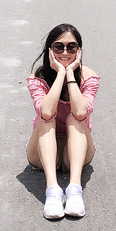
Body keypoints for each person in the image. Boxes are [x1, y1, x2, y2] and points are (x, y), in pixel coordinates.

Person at [26, 23, 100, 220]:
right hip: (42, 150)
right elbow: (47, 111)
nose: (65, 51)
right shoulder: (38, 78)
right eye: (59, 47)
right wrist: (60, 73)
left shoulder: (88, 77)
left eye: (71, 47)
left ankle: (74, 190)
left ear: (79, 51)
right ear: (50, 50)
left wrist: (71, 75)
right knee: (46, 118)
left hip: (75, 149)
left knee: (75, 117)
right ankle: (52, 190)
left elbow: (81, 111)